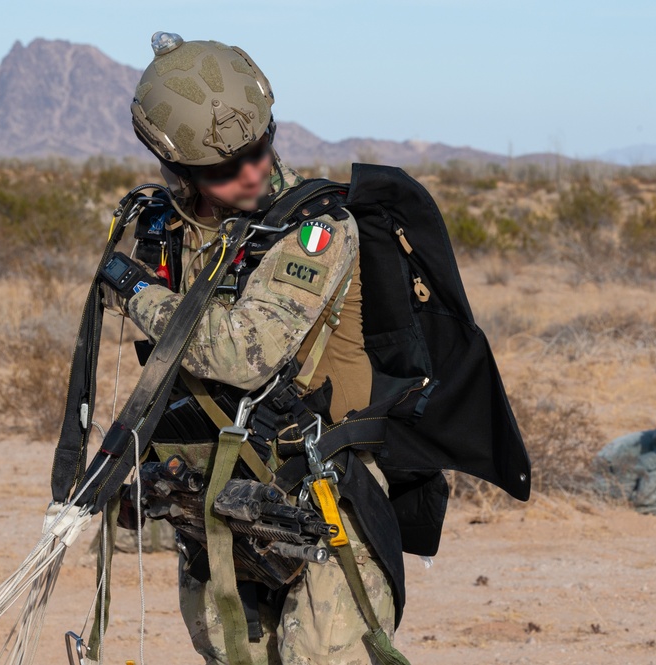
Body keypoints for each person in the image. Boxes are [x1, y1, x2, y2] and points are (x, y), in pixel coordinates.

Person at [117, 32, 395, 664]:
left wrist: (134, 291)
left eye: (259, 148)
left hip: (323, 491)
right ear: (178, 169)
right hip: (217, 489)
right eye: (223, 168)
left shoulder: (318, 227)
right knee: (228, 649)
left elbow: (242, 355)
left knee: (319, 657)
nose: (251, 172)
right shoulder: (165, 228)